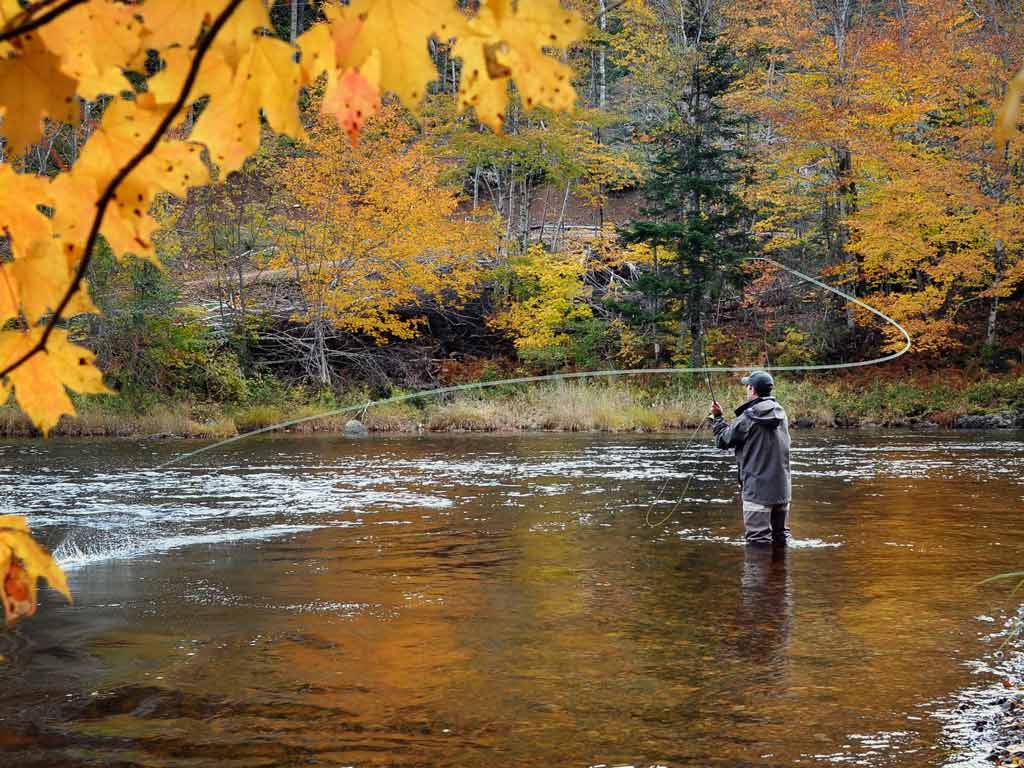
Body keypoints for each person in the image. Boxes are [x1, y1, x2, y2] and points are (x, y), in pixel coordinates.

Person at [710, 370, 792, 545]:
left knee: (757, 542)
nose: (746, 390)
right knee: (780, 538)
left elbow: (723, 441)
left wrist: (718, 418)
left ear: (753, 390)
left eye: (747, 386)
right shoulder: (781, 413)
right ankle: (781, 572)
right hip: (782, 492)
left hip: (757, 492)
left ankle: (759, 573)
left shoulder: (749, 416)